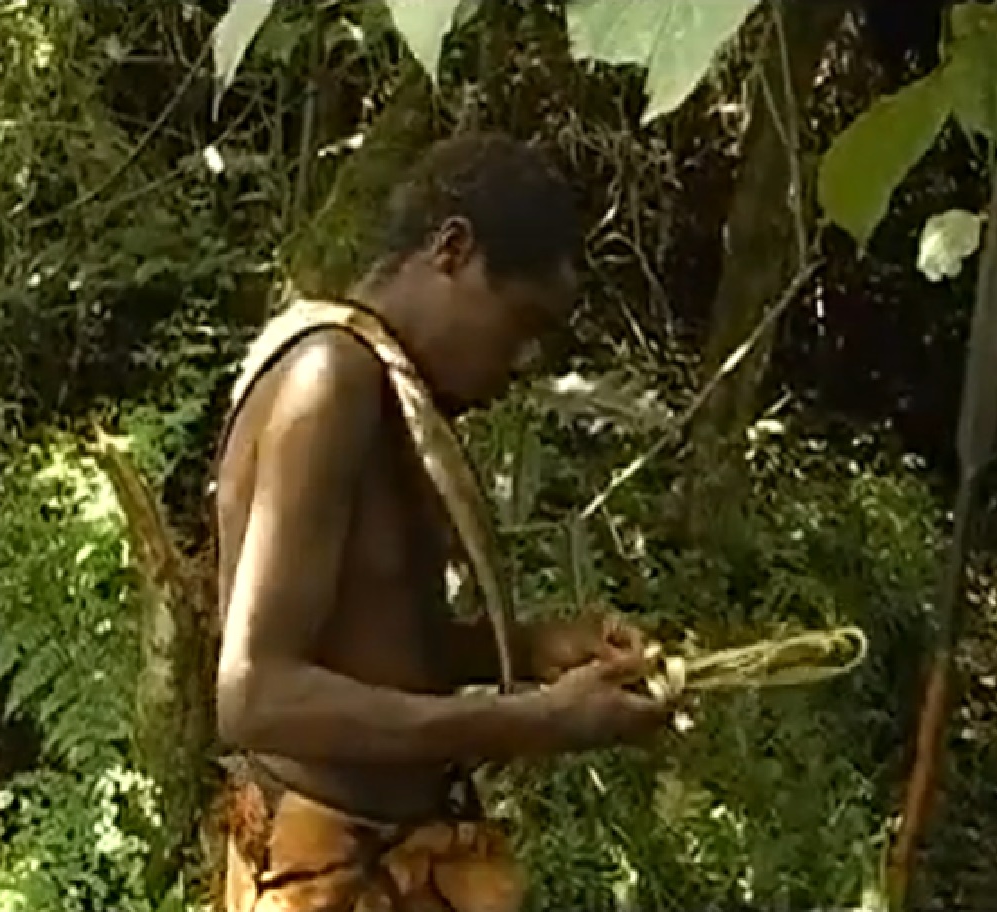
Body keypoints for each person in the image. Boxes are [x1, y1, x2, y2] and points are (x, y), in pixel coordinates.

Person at [212, 131, 673, 911]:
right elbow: (257, 697)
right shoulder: (329, 379)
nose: (521, 360)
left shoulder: (386, 390)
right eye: (519, 322)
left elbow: (362, 647)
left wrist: (533, 647)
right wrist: (531, 722)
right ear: (451, 250)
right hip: (325, 873)